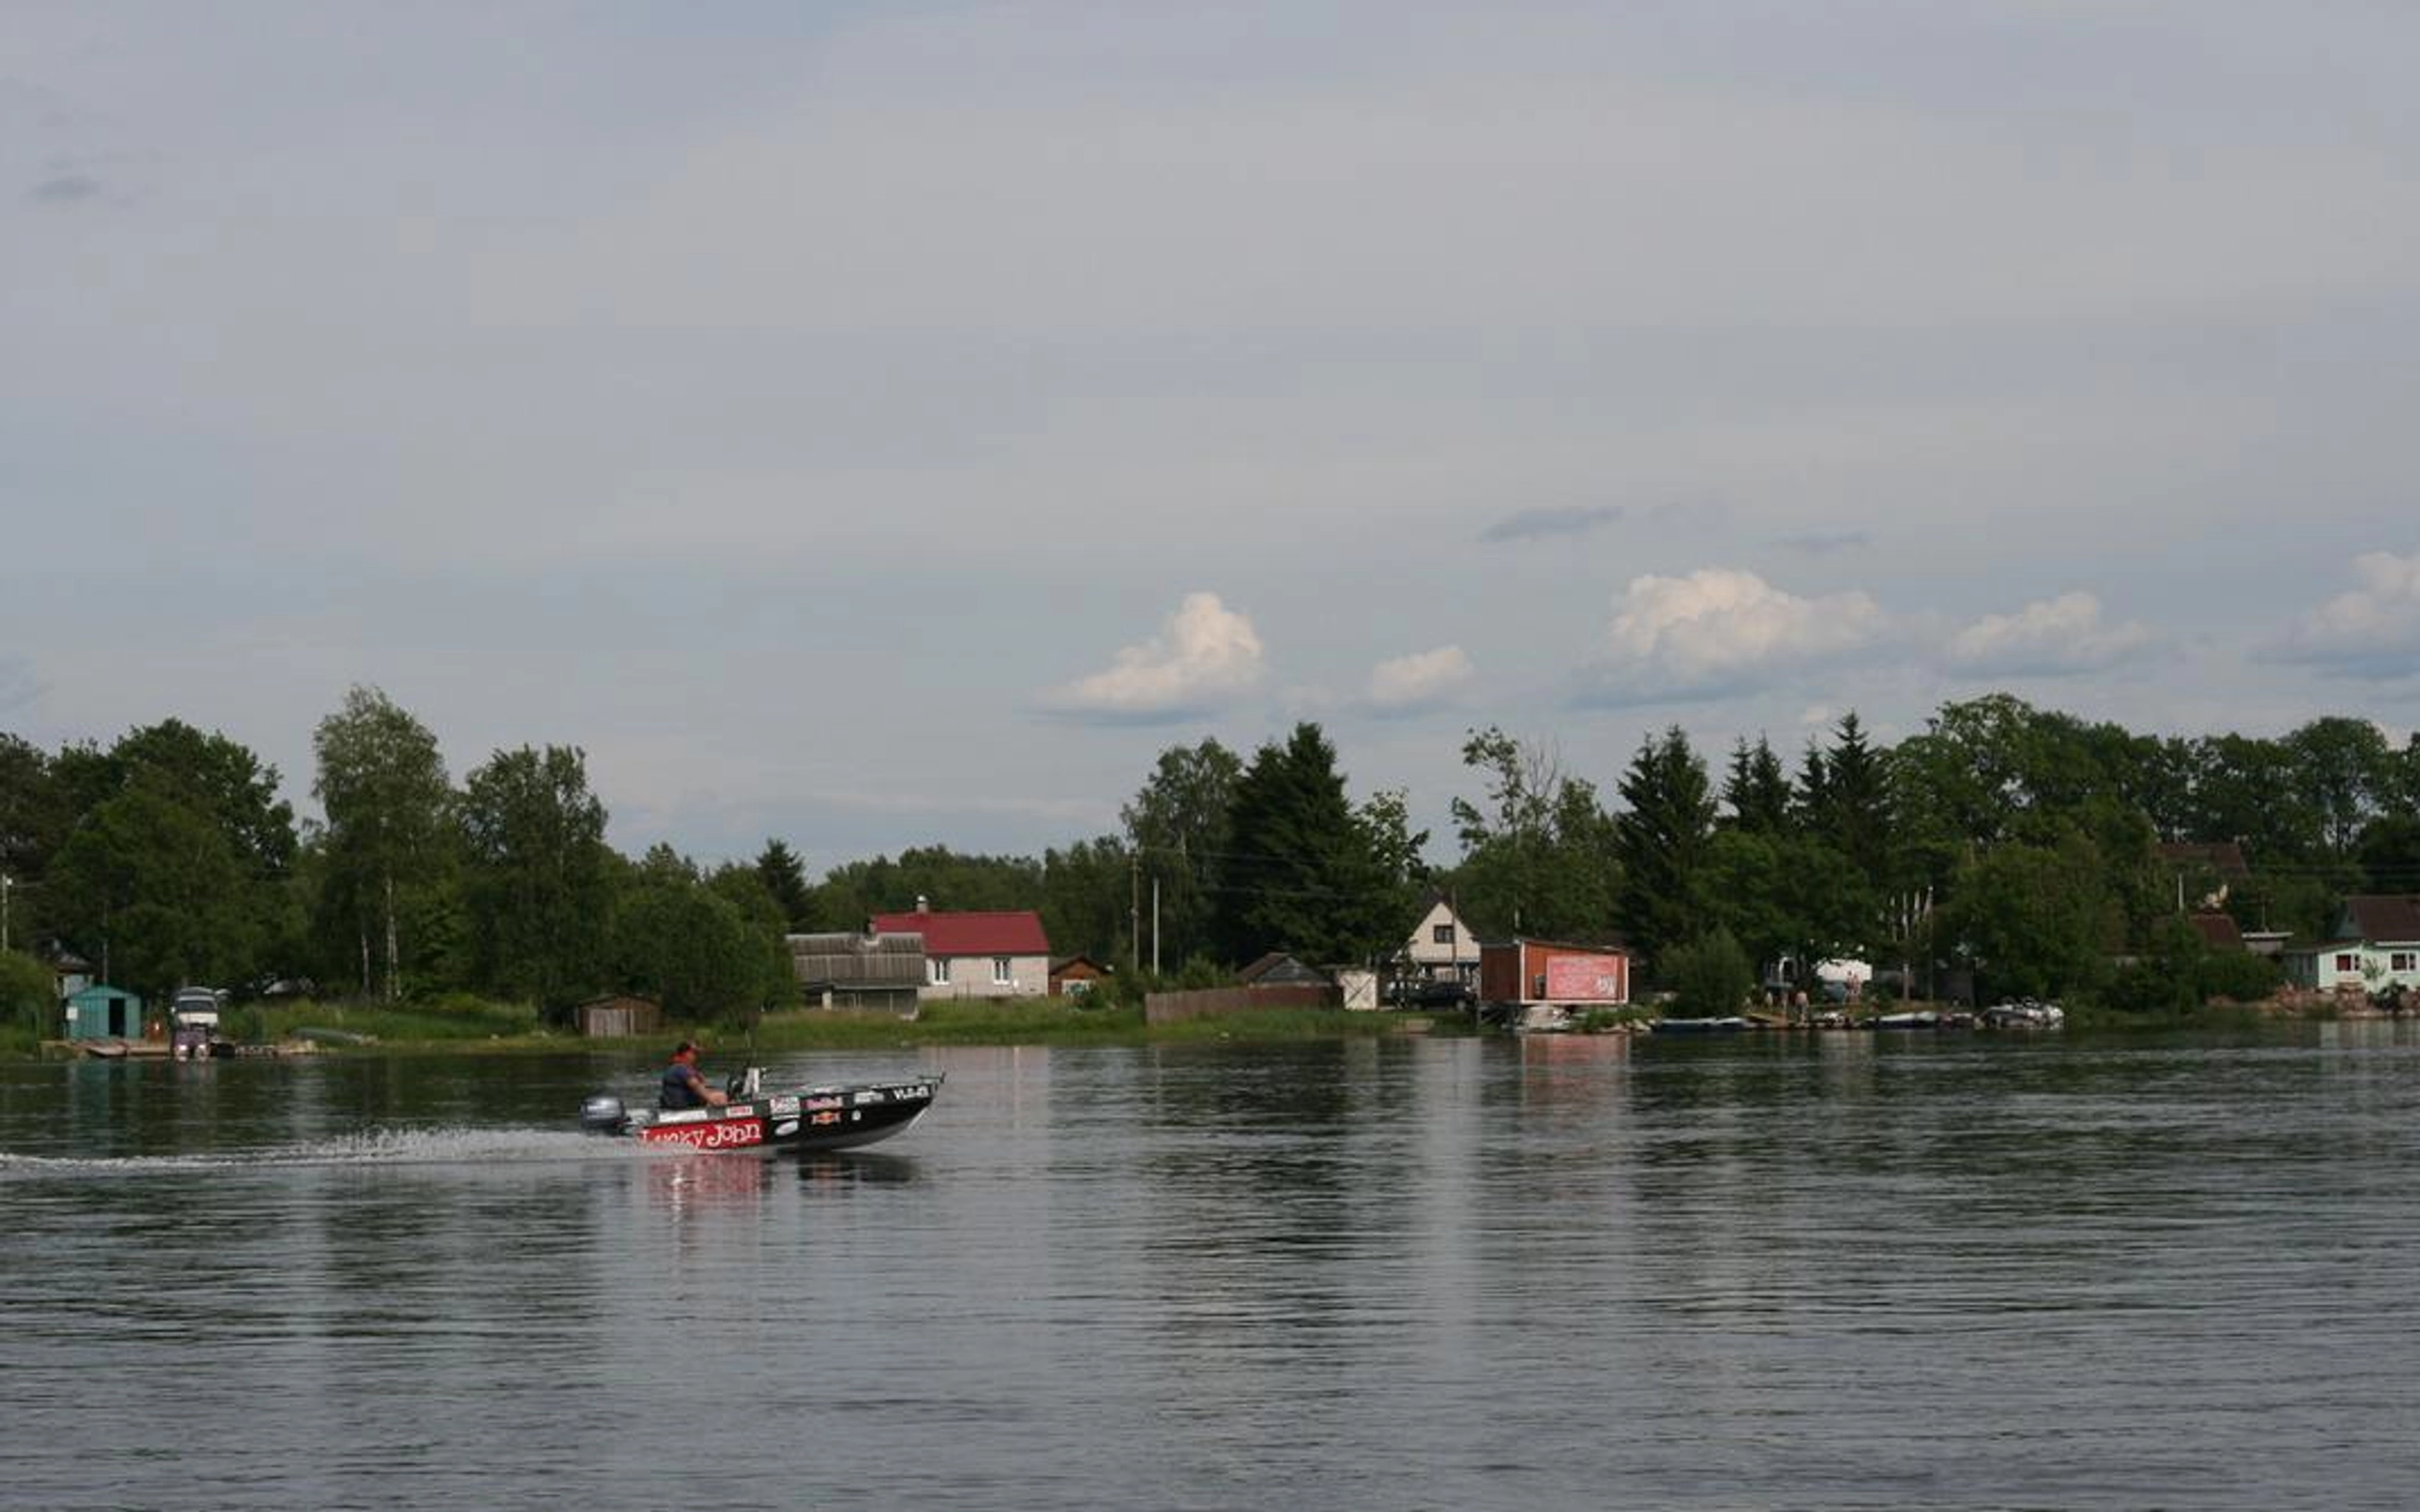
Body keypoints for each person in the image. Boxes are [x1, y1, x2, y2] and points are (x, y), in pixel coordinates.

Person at [659, 1040, 728, 1111]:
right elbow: (696, 1086)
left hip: (677, 1106)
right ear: (686, 1054)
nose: (696, 1057)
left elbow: (702, 1086)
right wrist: (712, 1099)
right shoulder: (680, 1068)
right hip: (682, 1109)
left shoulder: (680, 1068)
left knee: (718, 1095)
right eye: (694, 1053)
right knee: (721, 1096)